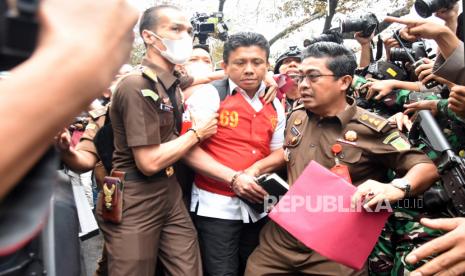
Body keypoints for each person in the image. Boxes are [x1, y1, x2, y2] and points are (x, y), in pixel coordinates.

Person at [245, 42, 438, 275]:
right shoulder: (296, 118)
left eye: (313, 77)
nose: (303, 85)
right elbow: (288, 153)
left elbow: (425, 166)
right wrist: (256, 168)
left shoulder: (372, 128)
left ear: (344, 82)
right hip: (278, 245)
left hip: (334, 253)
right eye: (301, 77)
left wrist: (396, 188)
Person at [96, 5, 217, 276]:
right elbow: (149, 162)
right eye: (175, 29)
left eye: (188, 30)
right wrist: (197, 134)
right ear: (149, 37)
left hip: (169, 190)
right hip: (136, 194)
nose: (184, 36)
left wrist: (269, 78)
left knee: (188, 269)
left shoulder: (171, 80)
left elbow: (208, 75)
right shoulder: (136, 85)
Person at [0, 0, 137, 201]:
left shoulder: (154, 100)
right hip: (121, 200)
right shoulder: (100, 116)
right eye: (116, 77)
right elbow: (85, 159)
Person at [184, 32, 286, 276]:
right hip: (215, 207)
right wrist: (234, 178)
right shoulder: (209, 95)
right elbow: (188, 151)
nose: (249, 70)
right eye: (240, 63)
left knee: (254, 269)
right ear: (225, 67)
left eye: (257, 62)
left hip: (260, 207)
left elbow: (280, 152)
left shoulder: (275, 103)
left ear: (267, 66)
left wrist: (255, 170)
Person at [273, 46, 302, 112]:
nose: (292, 64)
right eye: (286, 61)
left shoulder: (320, 99)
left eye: (299, 61)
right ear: (278, 71)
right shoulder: (267, 98)